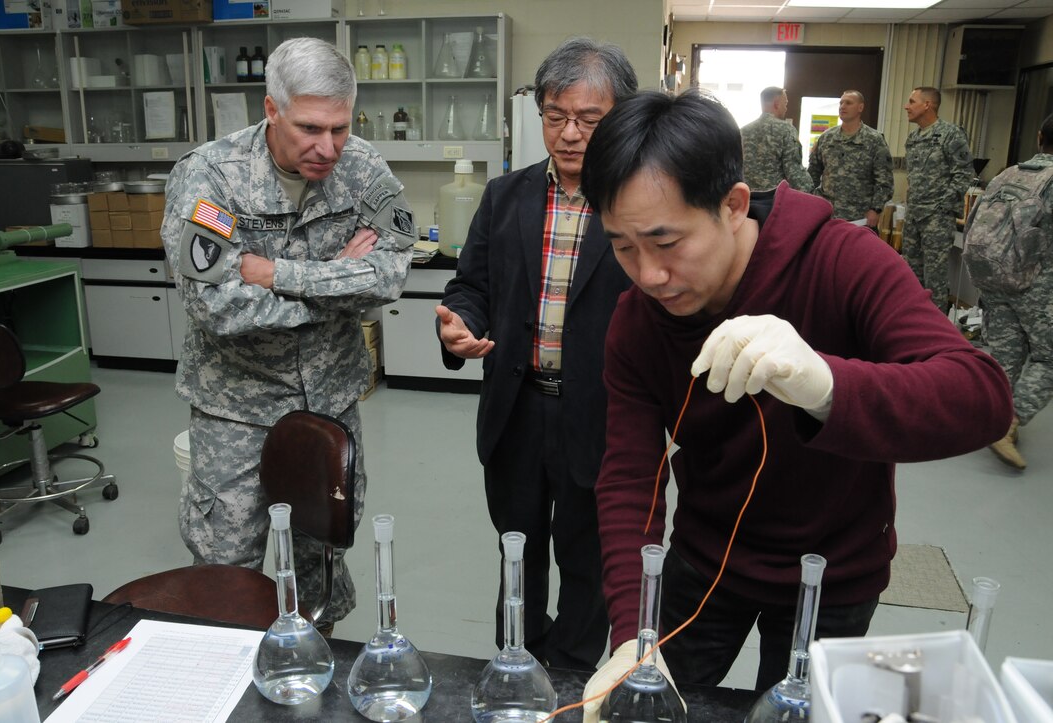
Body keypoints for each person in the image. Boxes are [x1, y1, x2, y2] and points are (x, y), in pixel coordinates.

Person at [575, 90, 1012, 714]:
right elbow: (627, 478)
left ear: (732, 206)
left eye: (666, 243)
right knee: (646, 701)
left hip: (829, 578)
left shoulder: (843, 262)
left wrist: (827, 385)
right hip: (707, 565)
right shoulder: (637, 323)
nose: (648, 276)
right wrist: (630, 634)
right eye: (622, 246)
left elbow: (982, 394)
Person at [161, 37, 416, 632]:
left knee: (320, 555)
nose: (327, 148)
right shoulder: (210, 178)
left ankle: (312, 670)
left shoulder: (365, 169)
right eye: (308, 128)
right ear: (270, 108)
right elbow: (218, 306)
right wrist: (334, 295)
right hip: (236, 407)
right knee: (226, 563)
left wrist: (277, 274)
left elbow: (391, 273)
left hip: (327, 401)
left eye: (340, 128)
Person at [434, 37, 637, 671]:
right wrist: (458, 324)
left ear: (621, 117)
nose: (570, 134)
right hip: (517, 409)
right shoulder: (506, 196)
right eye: (555, 116)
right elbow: (472, 285)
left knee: (587, 557)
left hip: (600, 415)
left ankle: (575, 676)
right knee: (516, 550)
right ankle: (515, 666)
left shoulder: (640, 200)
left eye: (590, 119)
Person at [979, 113, 1053, 470]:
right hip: (1038, 285)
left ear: (1039, 137)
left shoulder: (1011, 172)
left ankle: (989, 417)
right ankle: (1008, 424)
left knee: (1006, 353)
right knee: (1049, 357)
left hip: (995, 276)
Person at [903, 86, 975, 313]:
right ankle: (914, 322)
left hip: (936, 218)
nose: (907, 106)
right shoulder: (914, 137)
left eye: (912, 101)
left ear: (928, 105)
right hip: (914, 214)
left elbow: (964, 173)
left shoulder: (950, 134)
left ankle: (936, 331)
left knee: (934, 277)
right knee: (911, 274)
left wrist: (942, 207)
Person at [808, 89, 894, 226]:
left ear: (860, 107)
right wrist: (811, 200)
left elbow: (884, 181)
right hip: (827, 214)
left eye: (848, 103)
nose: (842, 106)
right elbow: (813, 172)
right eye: (841, 103)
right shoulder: (827, 137)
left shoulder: (874, 140)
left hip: (859, 216)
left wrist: (875, 209)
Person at [740, 87, 813, 193]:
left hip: (747, 198)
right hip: (773, 199)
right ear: (777, 104)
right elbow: (793, 171)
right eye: (785, 104)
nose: (786, 108)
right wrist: (810, 191)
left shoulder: (743, 131)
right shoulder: (786, 130)